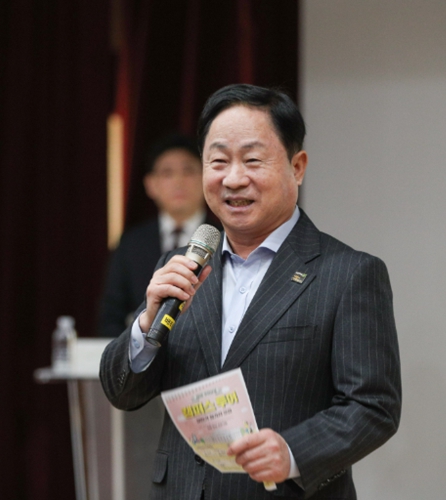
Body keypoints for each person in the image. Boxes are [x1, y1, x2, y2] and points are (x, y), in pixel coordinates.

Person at [100, 84, 401, 499]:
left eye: (253, 160)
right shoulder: (181, 267)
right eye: (218, 161)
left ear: (297, 167)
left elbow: (373, 407)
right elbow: (122, 391)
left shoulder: (348, 274)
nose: (234, 178)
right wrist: (147, 323)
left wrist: (293, 452)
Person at [99, 133, 219, 338]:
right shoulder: (131, 244)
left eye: (188, 171)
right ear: (150, 185)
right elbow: (110, 318)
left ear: (205, 178)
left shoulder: (226, 238)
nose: (178, 182)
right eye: (167, 173)